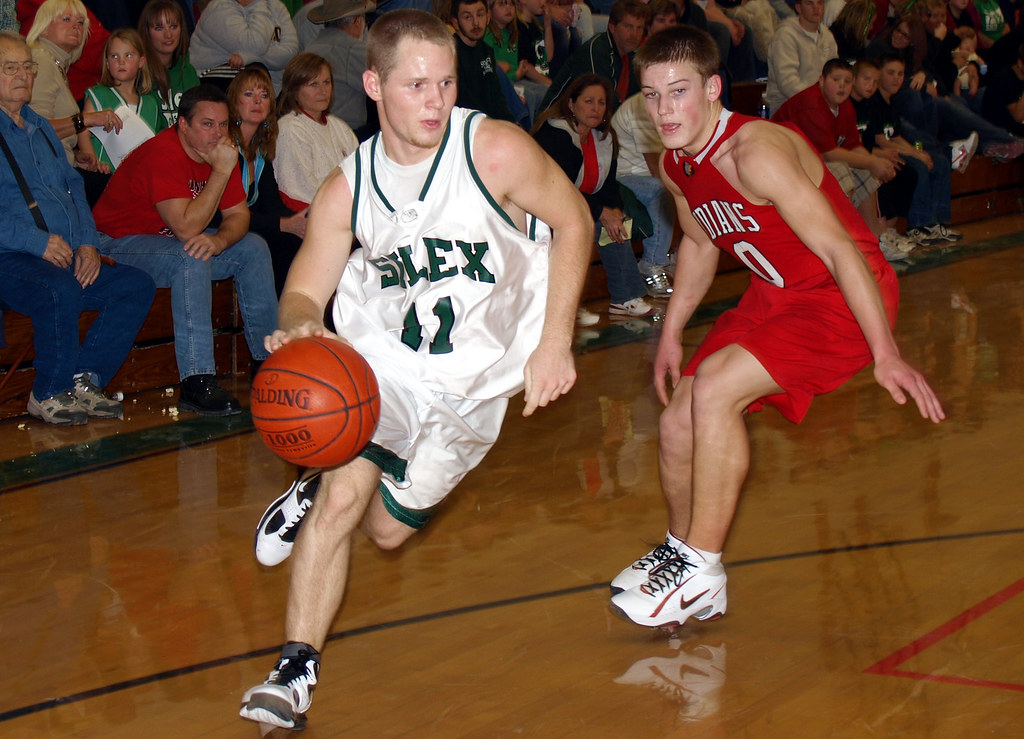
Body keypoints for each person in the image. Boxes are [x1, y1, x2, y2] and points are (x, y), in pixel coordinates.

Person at [238, 9, 592, 729]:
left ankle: (313, 483)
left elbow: (575, 221)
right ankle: (294, 666)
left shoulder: (492, 150)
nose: (435, 101)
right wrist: (303, 319)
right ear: (373, 85)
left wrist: (555, 341)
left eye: (446, 82)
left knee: (388, 531)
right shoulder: (351, 185)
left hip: (477, 387)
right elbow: (306, 283)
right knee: (345, 497)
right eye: (416, 85)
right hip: (384, 367)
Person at [607, 26, 944, 630]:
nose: (663, 110)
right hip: (777, 295)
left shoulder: (755, 152)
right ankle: (681, 556)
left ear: (713, 88)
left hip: (841, 295)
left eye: (678, 92)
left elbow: (842, 253)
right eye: (651, 96)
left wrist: (886, 352)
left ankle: (701, 567)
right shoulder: (676, 162)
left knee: (713, 390)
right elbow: (702, 242)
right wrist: (672, 331)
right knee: (678, 414)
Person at [92, 84, 278, 416]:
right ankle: (196, 381)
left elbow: (239, 216)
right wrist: (221, 172)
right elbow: (186, 229)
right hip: (115, 243)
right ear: (182, 125)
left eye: (223, 125)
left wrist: (219, 241)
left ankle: (267, 364)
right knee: (189, 256)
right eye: (207, 124)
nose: (218, 134)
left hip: (166, 240)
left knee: (253, 248)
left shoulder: (222, 150)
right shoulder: (162, 153)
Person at [0, 31, 154, 425]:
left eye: (28, 67)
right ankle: (48, 391)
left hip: (64, 252)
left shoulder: (43, 129)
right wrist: (37, 243)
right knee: (59, 287)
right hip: (12, 259)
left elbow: (75, 190)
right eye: (10, 67)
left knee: (135, 285)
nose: (22, 76)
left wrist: (86, 242)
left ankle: (85, 379)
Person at [771, 59, 920, 260]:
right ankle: (839, 245)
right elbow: (828, 153)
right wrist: (872, 161)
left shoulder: (845, 106)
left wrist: (875, 163)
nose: (842, 86)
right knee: (841, 170)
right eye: (836, 79)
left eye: (847, 81)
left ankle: (874, 242)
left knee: (865, 172)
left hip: (812, 161)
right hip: (782, 164)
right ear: (822, 80)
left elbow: (852, 146)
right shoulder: (811, 103)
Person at [533, 74, 654, 319]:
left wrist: (615, 210)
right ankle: (564, 308)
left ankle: (625, 297)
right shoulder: (555, 133)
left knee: (618, 223)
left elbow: (608, 186)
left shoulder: (604, 138)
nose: (596, 108)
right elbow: (559, 189)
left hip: (577, 206)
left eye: (601, 103)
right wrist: (601, 211)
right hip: (541, 207)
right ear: (571, 104)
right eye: (588, 101)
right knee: (582, 225)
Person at [25, 0, 122, 203]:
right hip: (50, 179)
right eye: (66, 19)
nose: (75, 26)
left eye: (80, 22)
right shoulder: (41, 61)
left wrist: (76, 156)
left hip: (60, 168)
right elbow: (35, 128)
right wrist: (85, 119)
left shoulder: (54, 64)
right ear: (43, 28)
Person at [227, 65, 305, 295]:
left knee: (303, 241)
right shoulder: (225, 146)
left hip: (249, 227)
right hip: (223, 228)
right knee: (282, 243)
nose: (257, 102)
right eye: (249, 95)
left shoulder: (259, 149)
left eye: (264, 96)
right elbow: (225, 215)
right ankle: (281, 323)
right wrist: (284, 224)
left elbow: (272, 205)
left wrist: (300, 220)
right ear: (234, 102)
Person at [273, 51, 359, 211]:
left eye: (326, 82)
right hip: (316, 216)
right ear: (295, 89)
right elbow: (298, 192)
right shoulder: (290, 128)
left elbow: (361, 173)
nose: (322, 91)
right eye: (313, 84)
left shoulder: (340, 127)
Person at [611, 90, 676, 295]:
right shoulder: (641, 108)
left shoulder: (673, 102)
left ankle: (676, 257)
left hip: (646, 173)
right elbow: (656, 168)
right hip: (624, 175)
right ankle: (651, 263)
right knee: (663, 190)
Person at [78, 29, 167, 173]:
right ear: (107, 63)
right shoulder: (98, 95)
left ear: (141, 61)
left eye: (129, 55)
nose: (121, 61)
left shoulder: (151, 103)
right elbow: (82, 131)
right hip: (105, 176)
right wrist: (94, 162)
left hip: (138, 179)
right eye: (114, 56)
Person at [539, 0, 650, 112]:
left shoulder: (632, 54)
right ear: (612, 27)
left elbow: (635, 98)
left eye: (639, 28)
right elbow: (606, 101)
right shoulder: (599, 50)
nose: (634, 34)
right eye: (628, 26)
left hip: (589, 119)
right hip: (557, 118)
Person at [304, 0, 376, 138]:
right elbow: (381, 86)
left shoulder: (311, 47)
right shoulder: (353, 50)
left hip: (312, 129)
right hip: (348, 133)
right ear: (357, 21)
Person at [188, 0, 299, 90]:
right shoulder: (218, 8)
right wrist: (256, 3)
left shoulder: (276, 6)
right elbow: (255, 45)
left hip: (268, 88)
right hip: (213, 88)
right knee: (254, 73)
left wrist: (249, 58)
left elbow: (290, 52)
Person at [451, 0, 519, 124]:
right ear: (456, 23)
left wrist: (511, 124)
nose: (476, 23)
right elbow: (464, 103)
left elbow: (496, 96)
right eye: (467, 17)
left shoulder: (486, 50)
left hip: (489, 123)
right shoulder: (450, 54)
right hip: (469, 125)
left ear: (488, 17)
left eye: (480, 15)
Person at [138, 0, 199, 128]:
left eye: (173, 26)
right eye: (159, 28)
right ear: (147, 31)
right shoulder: (138, 72)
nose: (168, 34)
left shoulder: (188, 71)